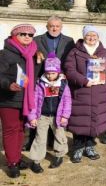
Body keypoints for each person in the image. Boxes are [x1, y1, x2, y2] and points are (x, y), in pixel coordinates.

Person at [64, 25, 106, 163]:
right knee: (80, 121)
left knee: (94, 120)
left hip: (99, 93)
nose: (91, 38)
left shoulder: (104, 52)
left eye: (94, 35)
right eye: (88, 35)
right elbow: (69, 70)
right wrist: (84, 81)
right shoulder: (75, 52)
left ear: (98, 37)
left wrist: (105, 63)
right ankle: (77, 148)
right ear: (84, 37)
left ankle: (90, 147)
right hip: (81, 92)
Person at [25, 15, 74, 151]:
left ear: (61, 27)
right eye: (51, 26)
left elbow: (70, 60)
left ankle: (53, 142)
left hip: (59, 80)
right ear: (47, 26)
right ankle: (33, 141)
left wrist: (65, 74)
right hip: (41, 79)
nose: (54, 28)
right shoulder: (36, 40)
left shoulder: (69, 41)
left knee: (55, 110)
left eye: (57, 26)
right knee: (40, 110)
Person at [0, 24, 40, 178]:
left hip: (25, 99)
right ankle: (12, 163)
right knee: (11, 130)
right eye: (23, 34)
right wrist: (8, 85)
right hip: (8, 99)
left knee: (21, 130)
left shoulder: (32, 53)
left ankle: (17, 157)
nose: (27, 37)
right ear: (14, 35)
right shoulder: (4, 54)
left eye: (30, 35)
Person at [28, 53, 71, 173]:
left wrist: (64, 116)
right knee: (40, 138)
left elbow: (67, 101)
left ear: (58, 72)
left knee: (59, 136)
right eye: (48, 73)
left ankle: (59, 155)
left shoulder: (63, 84)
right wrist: (32, 117)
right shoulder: (40, 83)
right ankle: (36, 161)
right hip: (42, 116)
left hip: (57, 117)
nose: (50, 75)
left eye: (53, 73)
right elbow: (34, 101)